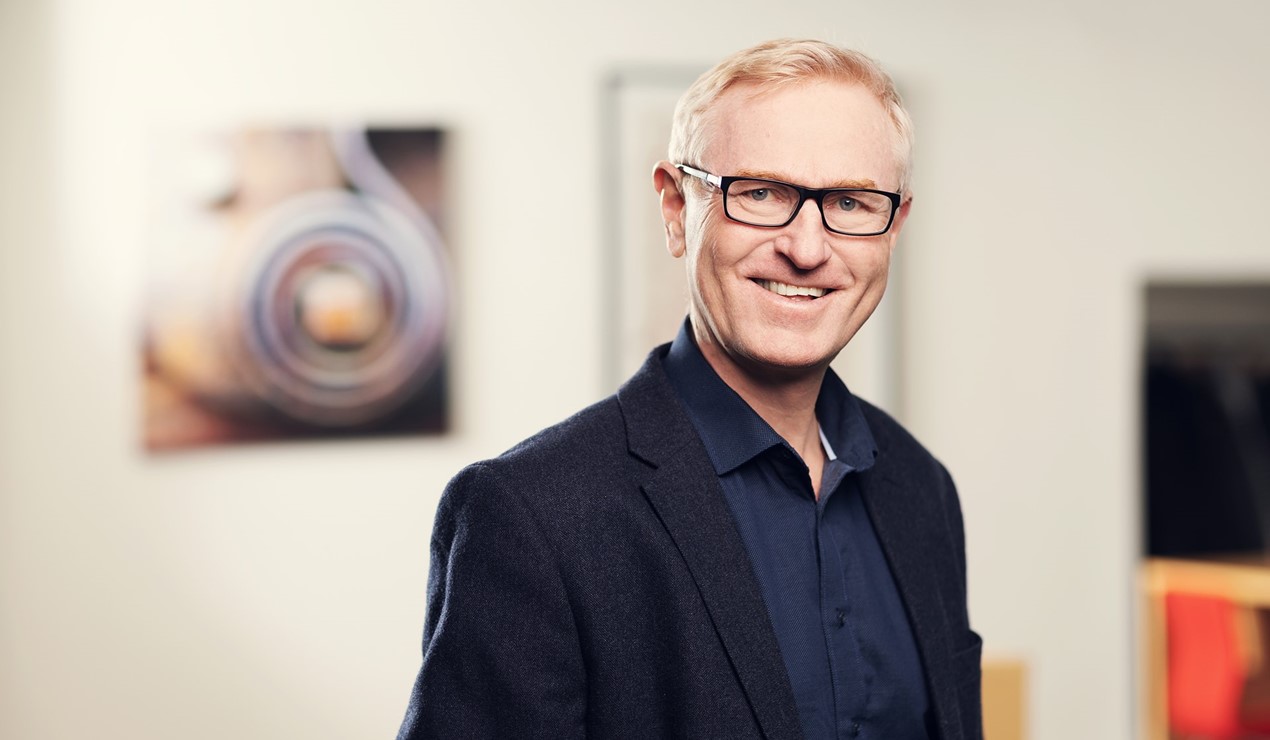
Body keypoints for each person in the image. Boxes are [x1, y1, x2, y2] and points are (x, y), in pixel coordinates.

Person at [397, 38, 981, 740]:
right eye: (761, 193)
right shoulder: (531, 516)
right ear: (677, 209)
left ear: (895, 226)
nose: (806, 247)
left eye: (852, 202)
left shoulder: (922, 490)